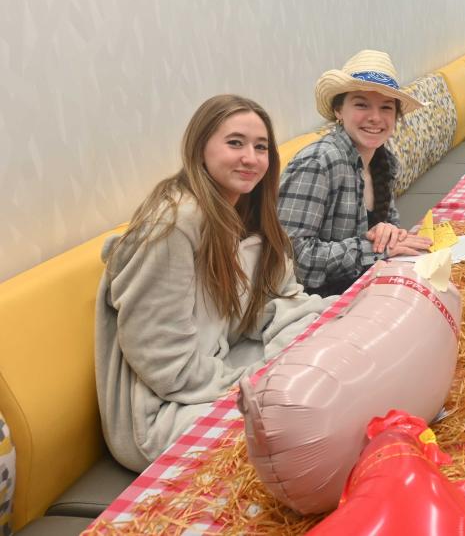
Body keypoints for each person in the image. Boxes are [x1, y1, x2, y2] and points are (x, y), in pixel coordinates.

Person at [95, 95, 333, 471]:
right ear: (199, 146)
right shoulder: (172, 224)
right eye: (235, 143)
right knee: (312, 425)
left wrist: (312, 342)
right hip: (165, 411)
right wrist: (255, 384)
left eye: (260, 147)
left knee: (334, 382)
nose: (250, 158)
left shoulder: (247, 210)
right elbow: (163, 362)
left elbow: (276, 300)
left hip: (220, 368)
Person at [278, 50, 432, 296]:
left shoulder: (383, 161)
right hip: (314, 307)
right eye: (361, 104)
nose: (375, 118)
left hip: (365, 287)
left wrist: (388, 233)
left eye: (386, 107)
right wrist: (374, 249)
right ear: (338, 110)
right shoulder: (318, 162)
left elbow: (387, 233)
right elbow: (292, 262)